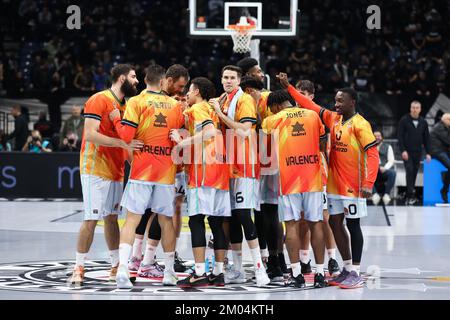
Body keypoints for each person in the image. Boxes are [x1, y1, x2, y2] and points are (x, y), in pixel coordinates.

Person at [279, 72, 379, 289]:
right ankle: (345, 267)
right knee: (334, 223)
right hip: (334, 183)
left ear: (352, 102)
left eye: (340, 101)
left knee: (353, 225)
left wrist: (369, 183)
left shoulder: (361, 125)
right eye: (335, 101)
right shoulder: (334, 119)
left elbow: (373, 154)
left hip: (354, 184)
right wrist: (289, 88)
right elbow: (310, 105)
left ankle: (356, 271)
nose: (336, 105)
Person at [111, 64, 185, 288]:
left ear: (145, 80)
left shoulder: (136, 102)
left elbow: (126, 135)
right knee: (166, 221)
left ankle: (124, 269)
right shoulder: (174, 106)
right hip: (165, 172)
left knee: (132, 218)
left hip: (142, 169)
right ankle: (169, 272)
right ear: (163, 82)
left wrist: (116, 119)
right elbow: (178, 133)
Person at [68, 64, 141, 287]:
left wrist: (137, 169)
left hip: (116, 169)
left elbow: (128, 145)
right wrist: (121, 142)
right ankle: (79, 266)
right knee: (91, 219)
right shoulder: (99, 99)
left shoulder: (127, 105)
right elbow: (90, 135)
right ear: (121, 78)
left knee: (111, 218)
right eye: (133, 76)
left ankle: (115, 265)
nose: (136, 81)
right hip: (94, 167)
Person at [210, 65, 270, 286]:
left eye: (232, 78)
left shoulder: (244, 100)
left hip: (244, 164)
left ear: (238, 80)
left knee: (244, 215)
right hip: (226, 165)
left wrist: (218, 113)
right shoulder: (222, 99)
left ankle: (259, 268)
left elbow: (244, 130)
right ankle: (237, 269)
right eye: (224, 77)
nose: (227, 80)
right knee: (232, 218)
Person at [128, 64, 190, 277]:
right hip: (161, 166)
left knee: (167, 211)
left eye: (185, 91)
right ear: (167, 80)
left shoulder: (169, 102)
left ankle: (144, 258)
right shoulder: (166, 103)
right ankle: (141, 258)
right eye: (180, 87)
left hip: (172, 165)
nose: (181, 92)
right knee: (153, 213)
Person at [262, 90, 328, 288]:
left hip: (290, 178)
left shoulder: (275, 118)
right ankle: (319, 274)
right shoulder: (312, 115)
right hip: (312, 177)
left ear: (274, 106)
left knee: (290, 225)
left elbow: (262, 128)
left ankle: (297, 275)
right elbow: (322, 143)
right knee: (316, 223)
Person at [170, 77, 230, 287]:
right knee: (216, 222)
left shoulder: (198, 109)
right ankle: (218, 273)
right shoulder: (214, 109)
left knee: (196, 220)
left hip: (204, 170)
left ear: (196, 91)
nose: (186, 93)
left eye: (189, 89)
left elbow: (209, 132)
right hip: (221, 169)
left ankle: (199, 273)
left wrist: (181, 141)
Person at [240, 75, 284, 281]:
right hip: (258, 163)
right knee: (262, 212)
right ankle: (270, 258)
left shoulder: (269, 103)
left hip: (271, 164)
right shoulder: (248, 102)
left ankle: (276, 259)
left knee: (270, 212)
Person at [295, 80, 340, 276]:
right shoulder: (289, 116)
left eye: (304, 93)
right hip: (296, 174)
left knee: (324, 218)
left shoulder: (317, 116)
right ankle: (304, 260)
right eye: (297, 93)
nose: (300, 96)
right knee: (303, 221)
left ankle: (332, 259)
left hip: (317, 173)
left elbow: (325, 148)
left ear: (311, 96)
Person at [398, 101, 431, 205]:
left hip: (418, 152)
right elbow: (400, 136)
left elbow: (426, 138)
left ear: (420, 109)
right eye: (413, 107)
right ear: (410, 108)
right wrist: (403, 150)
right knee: (409, 171)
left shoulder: (423, 122)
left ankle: (410, 194)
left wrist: (428, 153)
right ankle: (409, 195)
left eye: (417, 108)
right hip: (407, 152)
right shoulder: (404, 120)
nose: (415, 109)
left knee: (414, 173)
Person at [429, 113, 450, 203]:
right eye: (449, 119)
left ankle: (445, 175)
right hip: (437, 151)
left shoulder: (446, 127)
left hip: (444, 150)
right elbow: (448, 141)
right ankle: (444, 190)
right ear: (443, 119)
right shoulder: (439, 127)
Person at [372, 131, 396, 206]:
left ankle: (386, 194)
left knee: (393, 173)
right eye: (375, 136)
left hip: (383, 170)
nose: (377, 138)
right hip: (373, 171)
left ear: (382, 137)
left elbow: (391, 160)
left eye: (378, 136)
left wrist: (385, 168)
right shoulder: (369, 147)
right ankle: (374, 194)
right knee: (364, 173)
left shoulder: (388, 147)